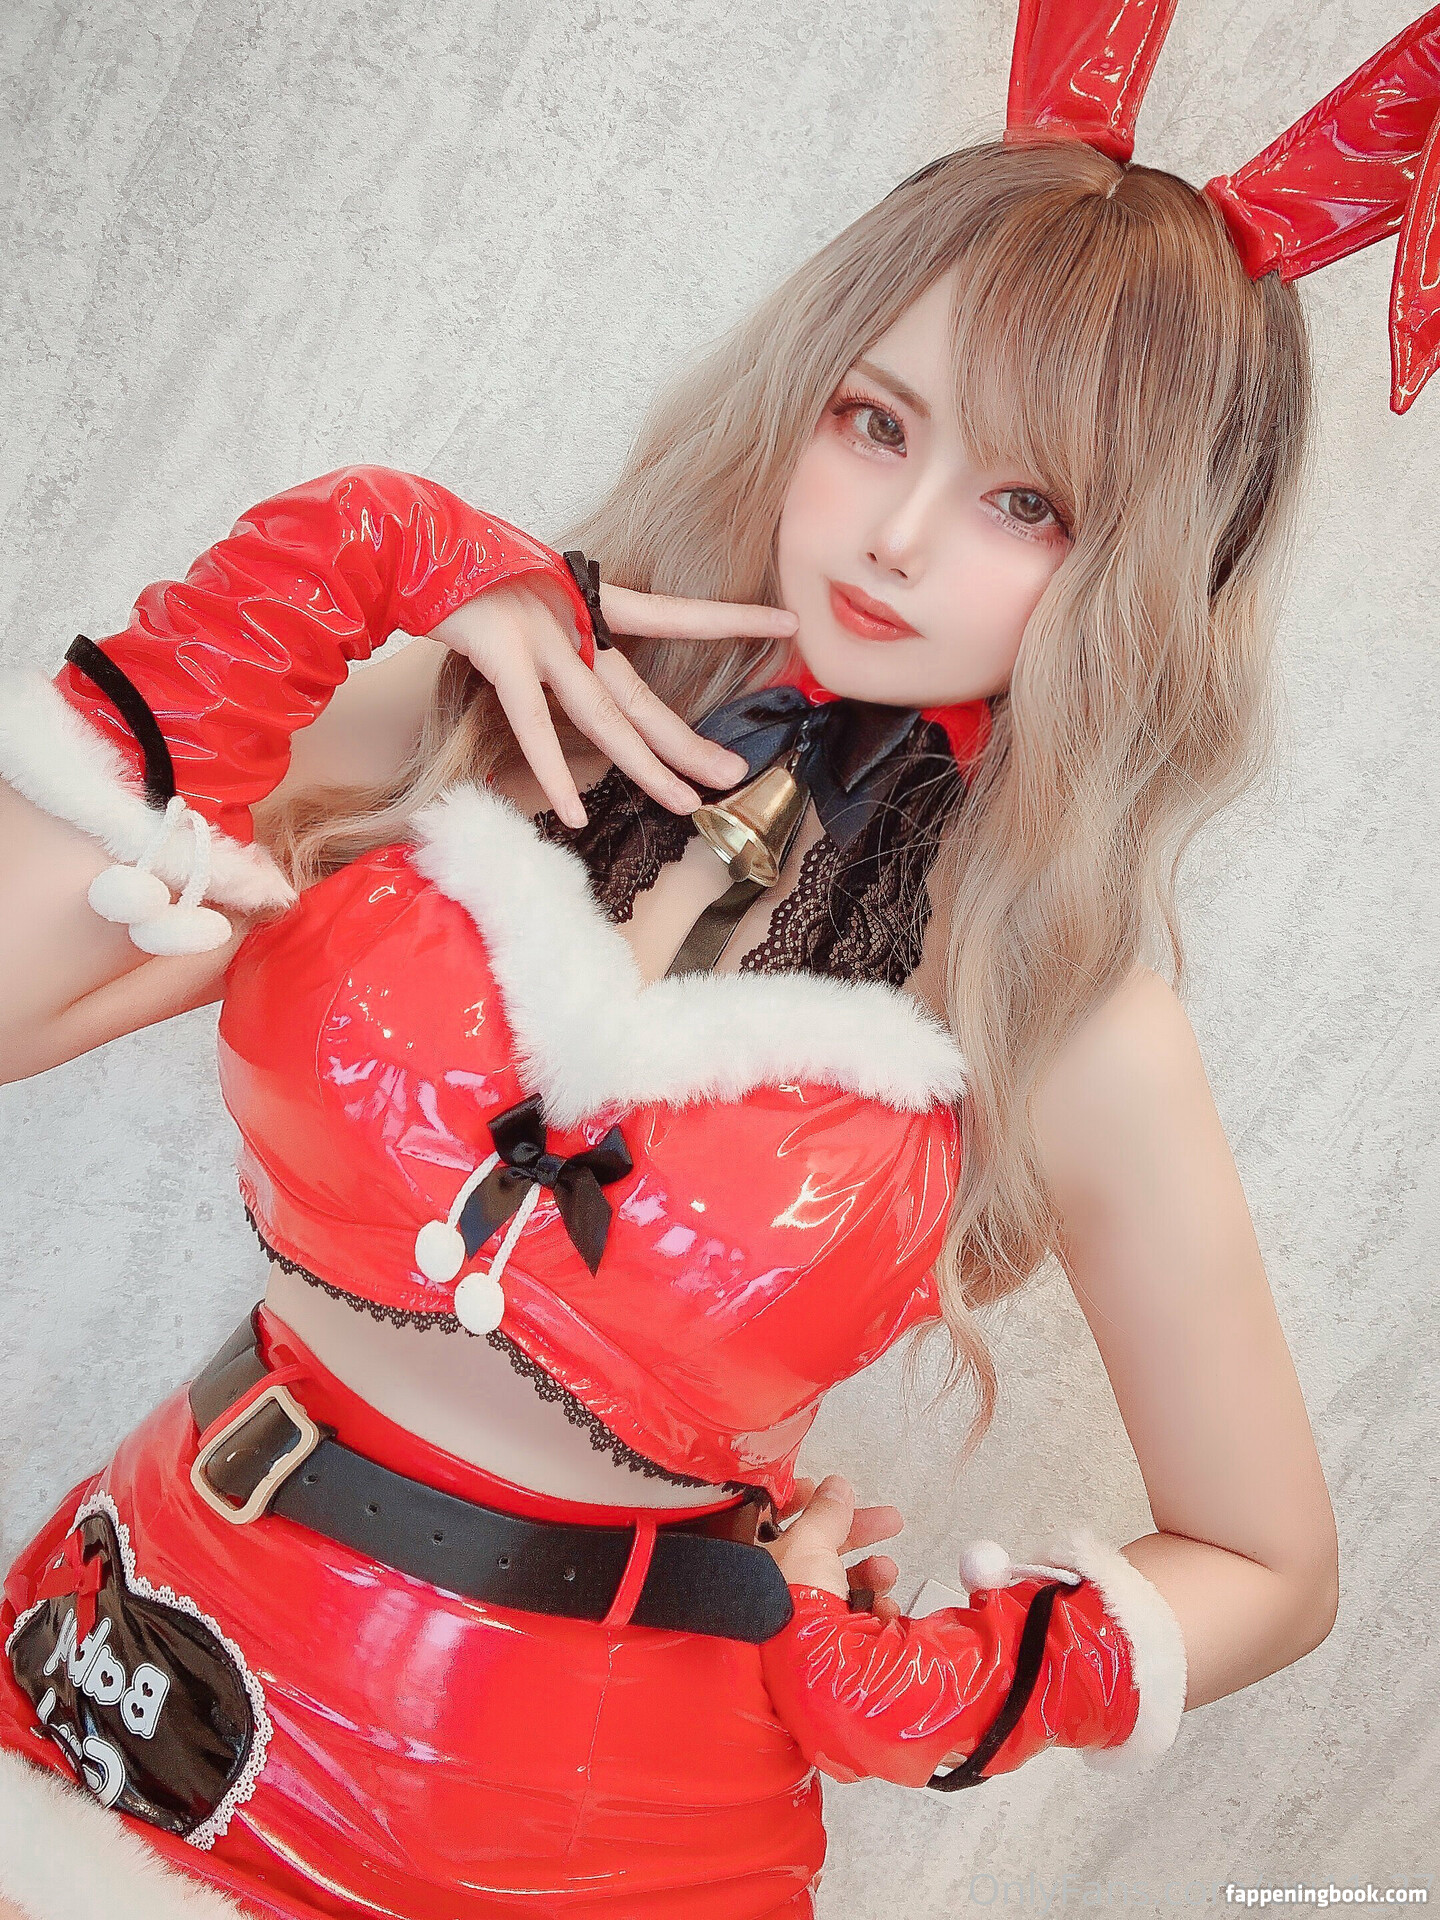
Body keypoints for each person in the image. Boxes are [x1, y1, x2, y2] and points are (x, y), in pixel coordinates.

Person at [5, 0, 1437, 1911]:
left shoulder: (1063, 1000)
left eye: (1027, 503)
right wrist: (316, 570)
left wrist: (959, 1685)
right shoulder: (486, 704)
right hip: (125, 1658)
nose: (897, 536)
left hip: (599, 1834)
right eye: (876, 422)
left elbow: (1276, 1563)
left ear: (1138, 570)